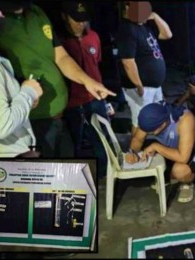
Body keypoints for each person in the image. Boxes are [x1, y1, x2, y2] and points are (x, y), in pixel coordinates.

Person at [0, 1, 115, 157]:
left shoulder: (37, 12)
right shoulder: (0, 22)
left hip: (59, 114)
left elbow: (60, 56)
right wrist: (27, 92)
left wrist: (87, 81)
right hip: (33, 121)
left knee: (68, 168)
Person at [59, 1, 109, 178]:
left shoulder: (94, 36)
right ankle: (77, 178)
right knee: (74, 143)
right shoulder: (61, 43)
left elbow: (97, 63)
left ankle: (105, 175)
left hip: (95, 98)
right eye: (76, 19)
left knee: (102, 139)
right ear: (65, 17)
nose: (81, 23)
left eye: (84, 19)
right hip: (72, 101)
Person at [126, 102, 195, 203]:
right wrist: (131, 152)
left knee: (179, 170)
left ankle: (187, 183)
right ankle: (169, 176)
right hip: (169, 150)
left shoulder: (185, 120)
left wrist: (156, 147)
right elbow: (138, 139)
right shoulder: (152, 117)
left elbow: (183, 157)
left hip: (191, 153)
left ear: (163, 124)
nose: (149, 133)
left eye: (151, 132)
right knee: (145, 152)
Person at [115, 1, 172, 136]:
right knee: (140, 123)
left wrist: (156, 16)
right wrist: (139, 86)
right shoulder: (127, 29)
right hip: (141, 87)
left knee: (154, 118)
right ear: (128, 7)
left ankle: (142, 148)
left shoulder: (144, 27)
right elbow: (128, 62)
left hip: (154, 86)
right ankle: (133, 153)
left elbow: (167, 34)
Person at [0, 9, 43, 158]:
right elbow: (1, 126)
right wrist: (28, 93)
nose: (1, 15)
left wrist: (24, 98)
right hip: (7, 161)